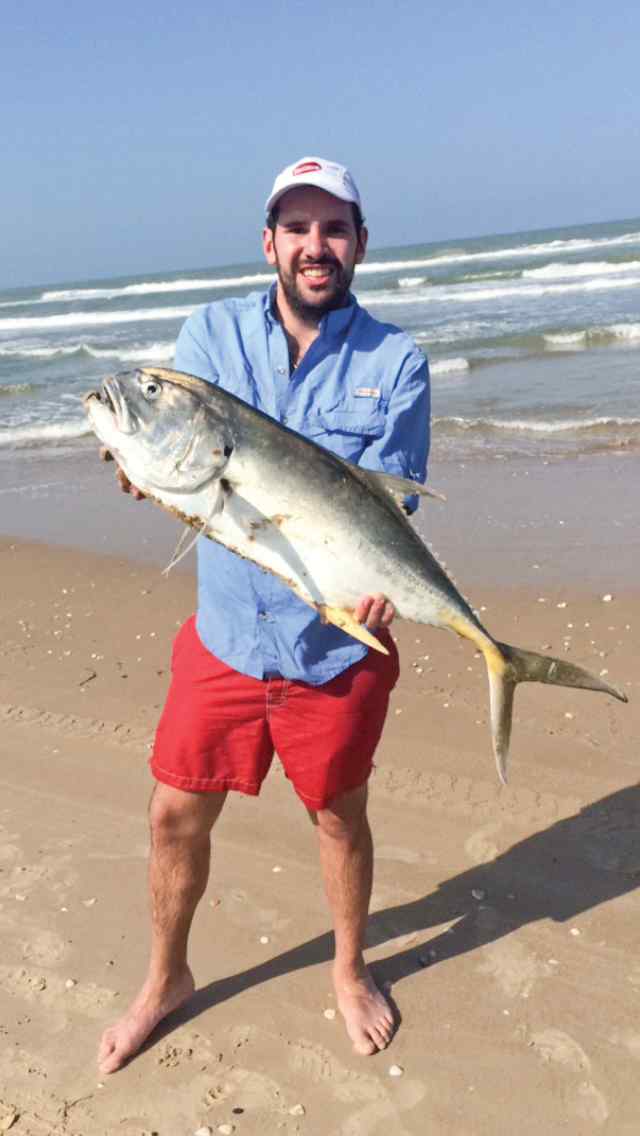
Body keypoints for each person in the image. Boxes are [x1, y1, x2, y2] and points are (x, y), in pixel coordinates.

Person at [98, 156, 430, 1073]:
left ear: (360, 243)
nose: (314, 246)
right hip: (228, 637)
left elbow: (388, 510)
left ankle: (349, 967)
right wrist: (146, 468)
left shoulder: (397, 363)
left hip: (336, 643)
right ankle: (167, 977)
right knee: (173, 816)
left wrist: (381, 585)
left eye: (334, 228)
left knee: (337, 817)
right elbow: (185, 458)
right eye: (297, 228)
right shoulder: (208, 335)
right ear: (269, 243)